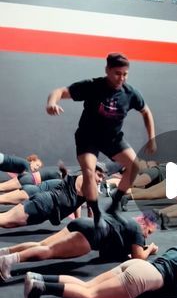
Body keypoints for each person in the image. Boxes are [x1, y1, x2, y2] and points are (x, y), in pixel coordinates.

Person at [46, 52, 156, 232]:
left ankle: (114, 203)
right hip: (88, 137)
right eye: (117, 73)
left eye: (125, 74)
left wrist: (151, 138)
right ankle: (96, 213)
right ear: (107, 70)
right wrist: (52, 102)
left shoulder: (130, 93)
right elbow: (59, 91)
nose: (121, 77)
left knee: (135, 165)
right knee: (89, 171)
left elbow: (146, 112)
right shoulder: (92, 86)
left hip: (112, 138)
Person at [23, 245, 177, 298]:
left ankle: (39, 277)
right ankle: (40, 288)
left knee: (88, 284)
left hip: (138, 265)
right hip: (145, 278)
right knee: (90, 295)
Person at [0, 212, 158, 281]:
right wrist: (150, 248)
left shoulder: (128, 221)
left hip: (84, 223)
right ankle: (8, 261)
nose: (147, 236)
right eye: (149, 232)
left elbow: (106, 255)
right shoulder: (137, 230)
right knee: (49, 251)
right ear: (145, 224)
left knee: (42, 244)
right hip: (91, 235)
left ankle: (5, 252)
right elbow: (139, 258)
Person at [0, 164, 105, 230]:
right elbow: (91, 212)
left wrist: (77, 222)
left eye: (102, 178)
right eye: (99, 175)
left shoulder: (79, 182)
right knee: (4, 219)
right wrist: (90, 229)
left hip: (43, 207)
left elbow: (77, 202)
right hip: (42, 203)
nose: (100, 180)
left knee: (7, 223)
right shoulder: (88, 186)